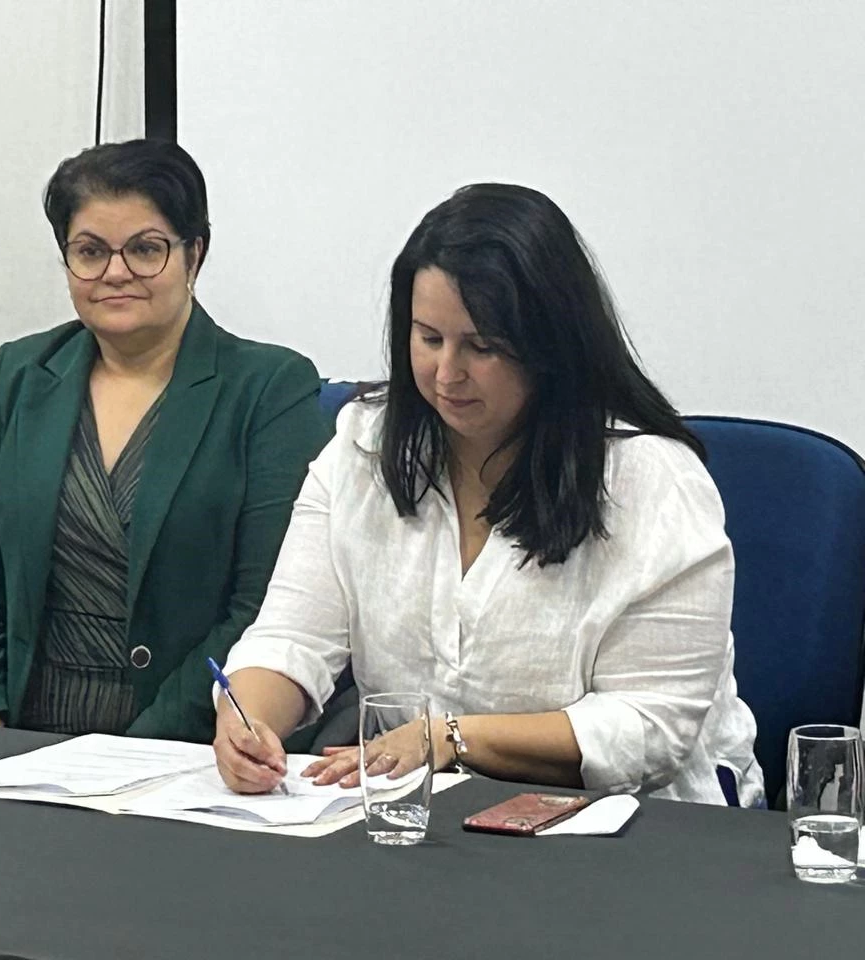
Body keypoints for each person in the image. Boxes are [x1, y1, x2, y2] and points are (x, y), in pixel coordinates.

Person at [213, 183, 763, 806]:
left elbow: (650, 726)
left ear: (550, 347)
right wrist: (247, 718)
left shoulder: (650, 481)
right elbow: (292, 637)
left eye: (483, 347)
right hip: (423, 816)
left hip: (634, 824)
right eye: (429, 339)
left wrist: (451, 739)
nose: (447, 374)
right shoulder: (364, 447)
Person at [0, 139, 330, 742]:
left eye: (145, 249)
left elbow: (267, 609)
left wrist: (140, 751)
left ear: (194, 254)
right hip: (20, 737)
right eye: (90, 251)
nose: (115, 273)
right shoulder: (20, 374)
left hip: (192, 742)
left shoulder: (269, 387)